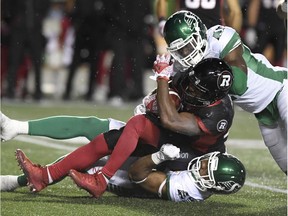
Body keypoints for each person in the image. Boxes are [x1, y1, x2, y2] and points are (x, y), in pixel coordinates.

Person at [13, 57, 235, 198]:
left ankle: (101, 179)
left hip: (191, 154)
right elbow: (168, 100)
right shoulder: (193, 78)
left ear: (211, 97)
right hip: (176, 135)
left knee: (134, 128)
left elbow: (170, 120)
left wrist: (161, 79)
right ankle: (44, 176)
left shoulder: (217, 115)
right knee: (113, 137)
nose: (189, 90)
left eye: (196, 91)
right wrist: (156, 100)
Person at [161, 10, 287, 173]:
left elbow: (239, 85)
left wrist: (207, 75)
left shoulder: (220, 39)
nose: (185, 54)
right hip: (264, 114)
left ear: (199, 34)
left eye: (188, 46)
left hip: (282, 88)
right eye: (180, 51)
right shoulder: (183, 66)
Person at [2, 147, 246, 202]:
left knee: (90, 163)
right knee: (95, 148)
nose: (200, 165)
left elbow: (137, 174)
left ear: (214, 186)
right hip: (151, 165)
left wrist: (160, 156)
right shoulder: (206, 164)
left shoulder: (187, 189)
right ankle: (35, 178)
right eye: (207, 162)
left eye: (205, 170)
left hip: (131, 182)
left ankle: (21, 181)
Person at [156, 0, 243, 34]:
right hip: (214, 33)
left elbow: (162, 2)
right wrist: (232, 36)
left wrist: (162, 21)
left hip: (186, 33)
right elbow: (235, 12)